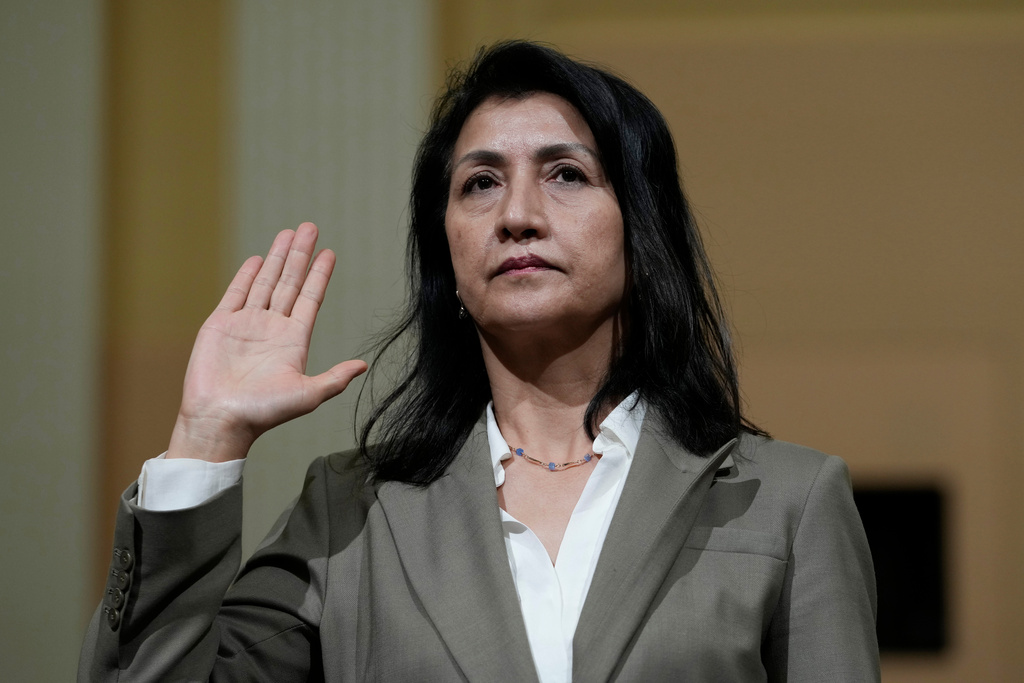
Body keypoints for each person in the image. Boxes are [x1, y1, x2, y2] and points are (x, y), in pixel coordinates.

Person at [80, 41, 879, 681]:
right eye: (480, 184)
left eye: (566, 174)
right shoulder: (351, 512)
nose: (518, 215)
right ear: (448, 257)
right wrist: (204, 439)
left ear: (642, 234)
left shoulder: (789, 504)